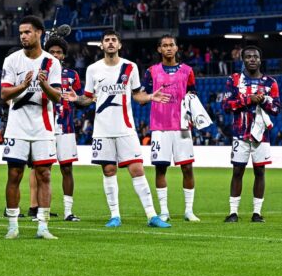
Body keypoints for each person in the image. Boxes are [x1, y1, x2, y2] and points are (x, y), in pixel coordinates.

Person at [81, 30, 171, 229]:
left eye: (114, 40)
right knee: (109, 170)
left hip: (126, 128)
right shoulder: (93, 69)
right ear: (102, 45)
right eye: (107, 40)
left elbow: (137, 95)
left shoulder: (130, 67)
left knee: (137, 169)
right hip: (103, 130)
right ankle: (115, 216)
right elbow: (88, 97)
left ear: (119, 45)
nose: (111, 43)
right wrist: (75, 99)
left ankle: (152, 215)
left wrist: (149, 97)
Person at [1, 16, 62, 240]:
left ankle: (43, 226)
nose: (23, 36)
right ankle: (13, 225)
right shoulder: (12, 60)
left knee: (44, 174)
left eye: (27, 32)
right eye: (21, 33)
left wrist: (44, 84)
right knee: (14, 174)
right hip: (17, 127)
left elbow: (57, 97)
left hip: (43, 127)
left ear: (39, 34)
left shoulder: (51, 63)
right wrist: (24, 85)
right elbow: (4, 93)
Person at [143, 34, 200, 222]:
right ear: (159, 49)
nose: (168, 48)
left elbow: (192, 96)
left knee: (187, 168)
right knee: (161, 169)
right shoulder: (151, 71)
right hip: (159, 126)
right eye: (164, 45)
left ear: (177, 48)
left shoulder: (187, 71)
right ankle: (164, 211)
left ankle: (189, 210)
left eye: (171, 45)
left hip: (182, 126)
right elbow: (143, 96)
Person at [220, 45, 279, 223]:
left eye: (255, 56)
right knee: (237, 171)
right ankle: (233, 213)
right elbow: (225, 105)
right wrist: (248, 99)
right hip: (240, 133)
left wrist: (264, 101)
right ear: (242, 59)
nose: (252, 59)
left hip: (262, 135)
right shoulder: (234, 80)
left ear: (260, 60)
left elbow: (276, 109)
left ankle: (257, 213)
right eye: (248, 57)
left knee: (260, 171)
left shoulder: (270, 82)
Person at [45, 36, 81, 222]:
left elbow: (81, 100)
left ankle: (68, 211)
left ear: (64, 55)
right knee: (44, 170)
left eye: (59, 52)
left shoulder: (72, 75)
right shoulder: (41, 73)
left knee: (67, 169)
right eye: (52, 52)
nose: (56, 55)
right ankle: (43, 211)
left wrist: (80, 99)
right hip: (45, 128)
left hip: (66, 127)